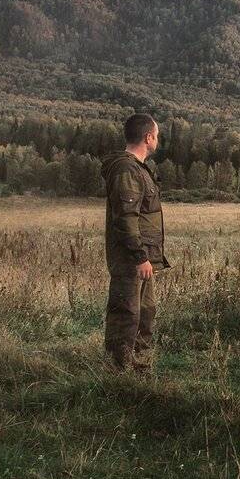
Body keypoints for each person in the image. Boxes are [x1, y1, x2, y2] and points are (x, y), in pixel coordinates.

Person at [100, 113, 170, 371]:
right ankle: (118, 371)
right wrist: (139, 256)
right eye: (157, 135)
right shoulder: (126, 169)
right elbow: (126, 217)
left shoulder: (137, 168)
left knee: (144, 312)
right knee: (126, 313)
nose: (158, 140)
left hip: (142, 258)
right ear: (148, 137)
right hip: (131, 258)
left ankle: (138, 367)